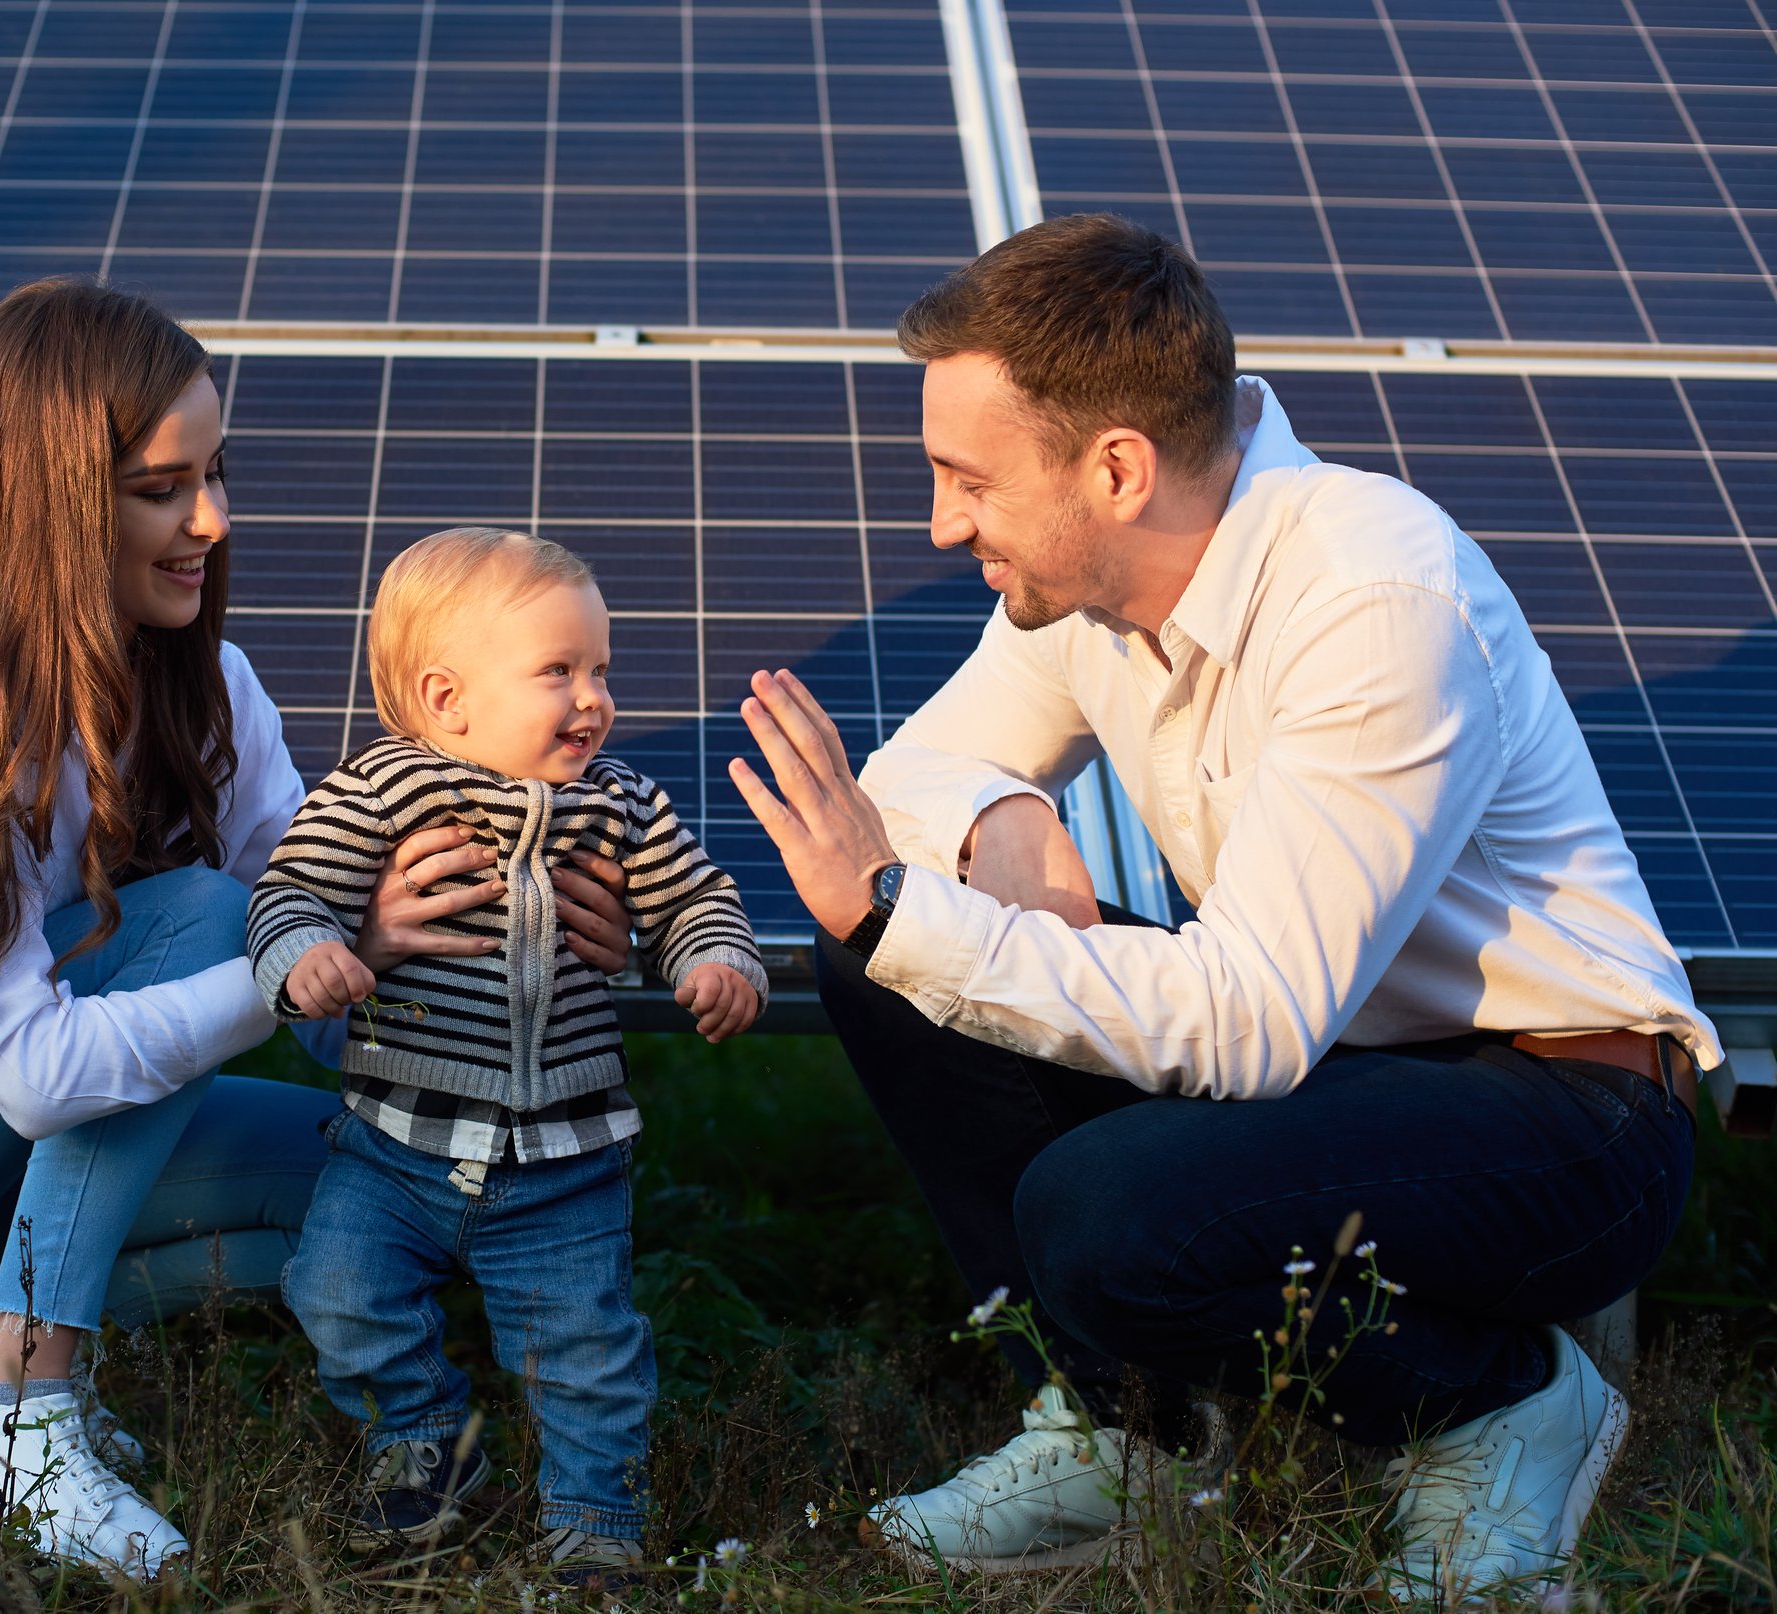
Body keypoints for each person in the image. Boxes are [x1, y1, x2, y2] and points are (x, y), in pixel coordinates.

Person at [725, 215, 1717, 1604]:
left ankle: (1500, 1401)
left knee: (1102, 1201)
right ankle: (1112, 1438)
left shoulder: (1373, 600)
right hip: (1339, 1063)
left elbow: (1247, 1024)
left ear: (1117, 467)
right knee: (885, 969)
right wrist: (1005, 817)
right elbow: (917, 773)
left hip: (1562, 1113)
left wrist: (910, 915)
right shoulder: (1085, 584)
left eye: (969, 478)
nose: (943, 523)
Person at [0, 286, 640, 1578]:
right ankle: (7, 1414)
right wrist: (323, 946)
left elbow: (336, 1015)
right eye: (160, 487)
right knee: (204, 913)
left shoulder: (216, 685)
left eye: (215, 474)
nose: (211, 520)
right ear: (49, 501)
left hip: (3, 1136)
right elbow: (40, 1071)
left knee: (402, 1188)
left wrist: (523, 926)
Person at [248, 528, 766, 1576]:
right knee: (337, 1292)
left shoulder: (621, 804)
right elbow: (290, 888)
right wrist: (306, 953)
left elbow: (695, 900)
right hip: (396, 1142)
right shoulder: (382, 791)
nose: (594, 699)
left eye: (600, 670)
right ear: (449, 700)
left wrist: (718, 960)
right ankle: (424, 1452)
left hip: (563, 1157)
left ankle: (594, 1525)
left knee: (584, 1351)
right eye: (558, 672)